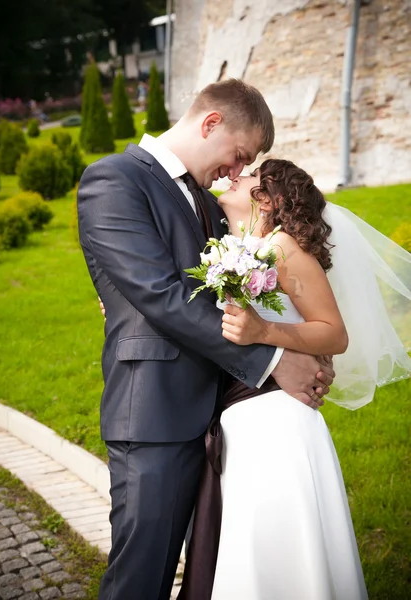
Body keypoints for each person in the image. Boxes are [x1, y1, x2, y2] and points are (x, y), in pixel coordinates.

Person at [77, 79, 334, 600]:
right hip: (156, 415)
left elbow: (239, 295)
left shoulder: (210, 203)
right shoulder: (114, 179)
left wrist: (307, 347)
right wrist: (275, 360)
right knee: (141, 577)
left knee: (212, 573)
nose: (238, 172)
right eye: (238, 155)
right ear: (211, 122)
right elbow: (161, 296)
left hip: (223, 418)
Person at [179, 159, 411, 600]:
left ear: (268, 201)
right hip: (241, 417)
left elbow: (333, 332)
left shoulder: (282, 247)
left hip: (276, 419)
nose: (234, 176)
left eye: (248, 177)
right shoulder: (231, 248)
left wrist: (265, 332)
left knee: (284, 545)